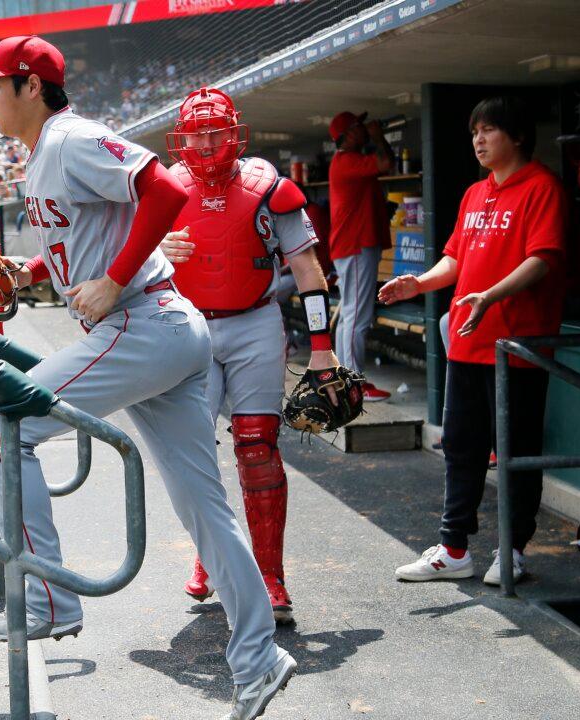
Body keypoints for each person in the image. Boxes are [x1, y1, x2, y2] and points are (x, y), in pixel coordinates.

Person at [0, 36, 296, 720]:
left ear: (32, 87)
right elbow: (99, 231)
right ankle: (259, 658)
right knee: (204, 509)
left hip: (143, 322)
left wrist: (115, 280)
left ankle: (48, 597)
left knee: (1, 428)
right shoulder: (44, 152)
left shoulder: (70, 137)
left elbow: (165, 188)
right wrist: (34, 271)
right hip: (161, 330)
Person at [159, 87, 341, 625]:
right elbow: (127, 258)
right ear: (182, 138)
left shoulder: (268, 187)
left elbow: (307, 270)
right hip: (189, 326)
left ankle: (269, 574)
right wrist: (154, 251)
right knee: (193, 453)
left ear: (234, 133)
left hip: (255, 322)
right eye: (197, 134)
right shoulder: (163, 189)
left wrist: (323, 349)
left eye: (215, 132)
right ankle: (213, 554)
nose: (206, 143)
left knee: (257, 445)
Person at [381, 96, 566, 585]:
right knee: (461, 448)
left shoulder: (542, 187)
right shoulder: (474, 193)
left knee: (516, 452)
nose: (479, 141)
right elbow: (455, 259)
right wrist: (419, 284)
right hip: (467, 343)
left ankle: (513, 550)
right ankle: (454, 549)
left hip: (517, 349)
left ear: (518, 135)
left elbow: (542, 259)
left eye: (488, 130)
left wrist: (490, 296)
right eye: (474, 133)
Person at [328, 110, 395, 401]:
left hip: (352, 246)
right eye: (358, 126)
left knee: (349, 316)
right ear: (347, 135)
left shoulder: (348, 160)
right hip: (355, 246)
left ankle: (347, 380)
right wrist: (379, 137)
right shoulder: (347, 160)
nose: (364, 129)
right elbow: (386, 163)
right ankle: (355, 385)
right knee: (357, 317)